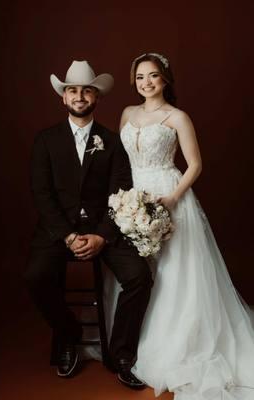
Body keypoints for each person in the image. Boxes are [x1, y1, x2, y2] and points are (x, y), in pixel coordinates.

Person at [112, 52, 254, 399]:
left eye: (154, 76)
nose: (147, 82)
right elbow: (123, 159)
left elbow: (195, 165)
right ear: (135, 80)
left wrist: (173, 199)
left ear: (166, 79)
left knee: (174, 270)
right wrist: (125, 201)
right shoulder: (127, 114)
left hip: (168, 195)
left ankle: (174, 340)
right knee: (138, 269)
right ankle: (128, 339)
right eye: (141, 76)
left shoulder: (177, 117)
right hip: (133, 196)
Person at [24, 60, 153, 388]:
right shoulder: (45, 141)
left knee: (139, 277)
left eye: (86, 90)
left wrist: (101, 236)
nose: (79, 96)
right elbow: (42, 195)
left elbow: (119, 192)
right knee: (34, 276)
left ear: (96, 97)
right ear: (63, 98)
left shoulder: (112, 141)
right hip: (58, 231)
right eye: (72, 90)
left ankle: (122, 354)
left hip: (103, 228)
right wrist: (67, 235)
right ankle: (68, 333)